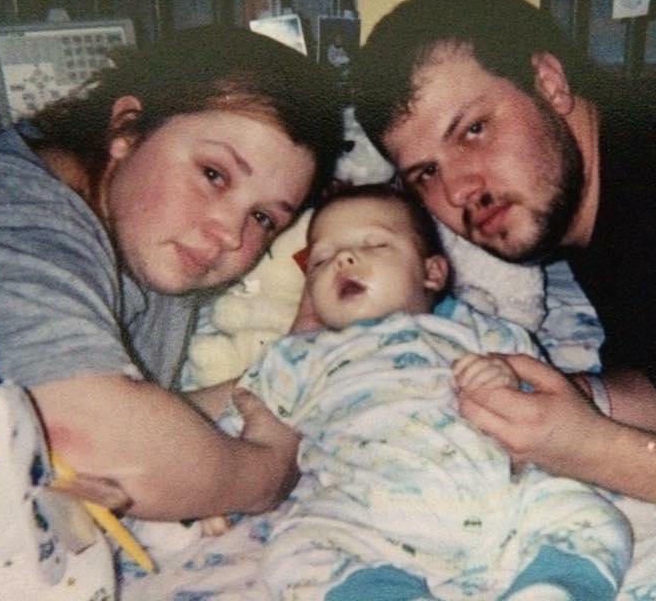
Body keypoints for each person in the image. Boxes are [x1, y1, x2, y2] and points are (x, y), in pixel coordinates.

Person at [351, 0, 656, 538]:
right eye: (426, 172)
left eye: (474, 130)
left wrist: (592, 449)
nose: (456, 191)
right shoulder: (610, 182)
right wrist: (569, 397)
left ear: (549, 83)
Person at [0, 24, 344, 553]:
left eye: (262, 217)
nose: (230, 233)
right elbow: (85, 441)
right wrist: (267, 472)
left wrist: (301, 367)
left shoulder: (142, 236)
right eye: (213, 174)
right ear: (127, 128)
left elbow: (144, 416)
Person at [222, 185, 632, 600]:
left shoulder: (481, 332)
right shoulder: (294, 357)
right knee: (297, 553)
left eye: (374, 243)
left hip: (494, 496)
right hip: (363, 513)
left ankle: (548, 589)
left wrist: (505, 378)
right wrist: (222, 493)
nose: (343, 260)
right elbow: (243, 429)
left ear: (432, 272)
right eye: (321, 259)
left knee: (587, 516)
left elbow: (550, 400)